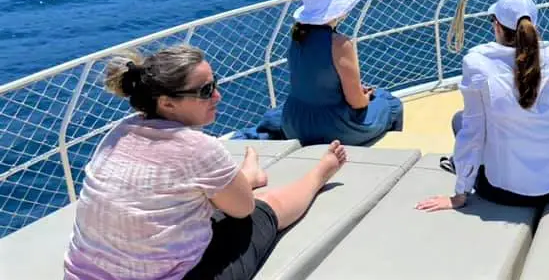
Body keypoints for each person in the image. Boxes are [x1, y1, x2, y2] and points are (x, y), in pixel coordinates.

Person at [64, 44, 348, 280]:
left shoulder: (118, 133)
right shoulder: (198, 148)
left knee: (208, 200)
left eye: (215, 84)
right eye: (205, 91)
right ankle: (319, 174)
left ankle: (246, 176)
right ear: (167, 103)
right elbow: (243, 209)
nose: (217, 95)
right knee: (265, 207)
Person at [416, 0, 549, 211]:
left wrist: (460, 194)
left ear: (496, 25)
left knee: (460, 120)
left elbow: (473, 133)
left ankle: (461, 166)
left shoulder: (477, 63)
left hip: (501, 192)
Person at [281, 0, 403, 146]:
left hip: (293, 121)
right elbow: (356, 102)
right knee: (390, 104)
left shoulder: (296, 36)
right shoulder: (339, 44)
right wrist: (366, 97)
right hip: (331, 127)